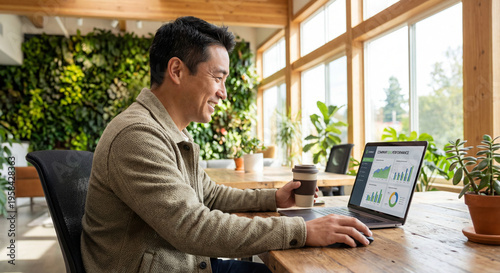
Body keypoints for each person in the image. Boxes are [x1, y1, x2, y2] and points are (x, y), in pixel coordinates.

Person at [80, 16, 372, 273]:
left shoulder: (170, 131)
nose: (223, 93)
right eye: (218, 77)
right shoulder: (137, 136)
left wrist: (273, 199)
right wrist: (302, 230)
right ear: (177, 71)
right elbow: (192, 227)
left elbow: (211, 195)